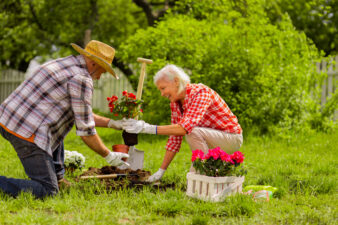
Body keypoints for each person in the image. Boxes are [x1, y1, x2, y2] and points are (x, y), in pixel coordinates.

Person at [0, 40, 128, 198]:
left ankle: (59, 178)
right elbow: (86, 131)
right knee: (47, 191)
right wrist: (108, 155)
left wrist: (112, 123)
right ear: (94, 64)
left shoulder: (65, 63)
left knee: (58, 128)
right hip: (27, 131)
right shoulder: (82, 78)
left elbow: (81, 114)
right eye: (103, 70)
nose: (101, 77)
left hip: (8, 118)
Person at [122, 65, 243, 182]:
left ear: (176, 81)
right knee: (191, 131)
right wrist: (161, 171)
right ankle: (205, 173)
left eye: (163, 88)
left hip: (231, 138)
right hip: (213, 138)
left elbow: (184, 128)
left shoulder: (201, 93)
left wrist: (147, 128)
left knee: (192, 132)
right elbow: (175, 138)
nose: (162, 94)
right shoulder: (175, 103)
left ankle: (201, 174)